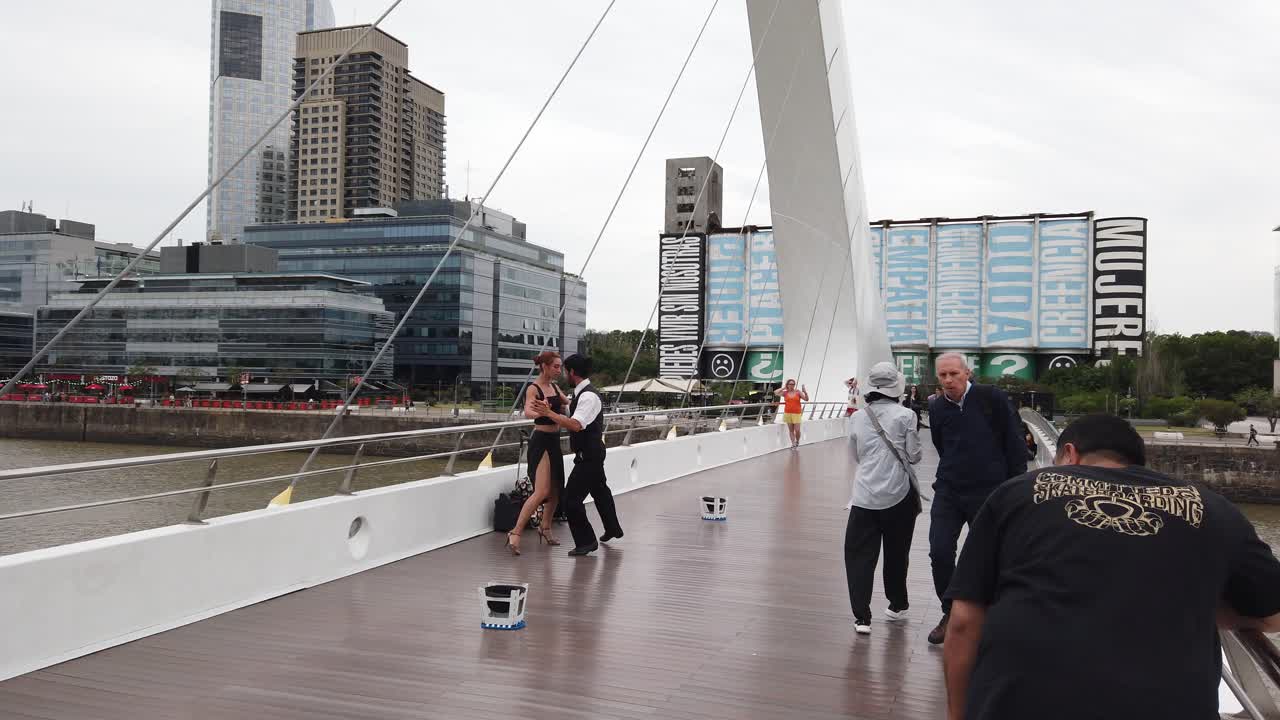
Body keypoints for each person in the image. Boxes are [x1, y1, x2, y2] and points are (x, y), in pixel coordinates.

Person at [942, 413, 1280, 720]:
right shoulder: (1212, 508)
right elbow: (1272, 615)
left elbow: (963, 622)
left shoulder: (1017, 493)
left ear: (1069, 455)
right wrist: (1198, 603)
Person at [925, 353, 1027, 645]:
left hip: (990, 490)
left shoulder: (990, 398)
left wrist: (1014, 487)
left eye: (953, 374)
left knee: (988, 555)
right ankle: (950, 612)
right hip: (949, 490)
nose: (948, 380)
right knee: (940, 551)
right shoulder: (937, 407)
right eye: (942, 375)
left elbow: (1014, 441)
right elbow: (942, 445)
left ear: (967, 373)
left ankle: (992, 615)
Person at [844, 362, 922, 635]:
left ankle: (862, 617)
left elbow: (854, 455)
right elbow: (914, 456)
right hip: (898, 494)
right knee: (896, 552)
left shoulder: (857, 417)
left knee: (858, 556)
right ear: (896, 387)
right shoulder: (906, 416)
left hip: (864, 494)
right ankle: (897, 603)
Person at [533, 354, 623, 557]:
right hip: (593, 452)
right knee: (600, 490)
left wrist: (549, 414)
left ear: (572, 372)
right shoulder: (581, 393)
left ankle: (586, 541)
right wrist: (556, 404)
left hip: (589, 455)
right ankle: (613, 528)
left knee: (570, 500)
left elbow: (575, 423)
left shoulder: (588, 396)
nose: (563, 373)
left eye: (564, 370)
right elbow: (571, 410)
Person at [506, 351, 568, 555]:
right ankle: (515, 532)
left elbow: (565, 403)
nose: (559, 370)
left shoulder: (555, 387)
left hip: (554, 441)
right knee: (541, 491)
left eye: (560, 366)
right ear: (544, 366)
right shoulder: (534, 389)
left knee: (556, 490)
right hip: (541, 441)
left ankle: (545, 527)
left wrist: (567, 402)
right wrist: (542, 411)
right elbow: (528, 412)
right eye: (556, 366)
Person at [774, 379, 809, 449]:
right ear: (788, 385)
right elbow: (776, 392)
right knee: (791, 430)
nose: (792, 385)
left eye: (793, 384)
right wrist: (784, 387)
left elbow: (806, 399)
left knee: (797, 430)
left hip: (797, 413)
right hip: (788, 413)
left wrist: (805, 392)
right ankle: (793, 443)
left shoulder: (798, 392)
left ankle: (797, 441)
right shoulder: (785, 393)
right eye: (790, 384)